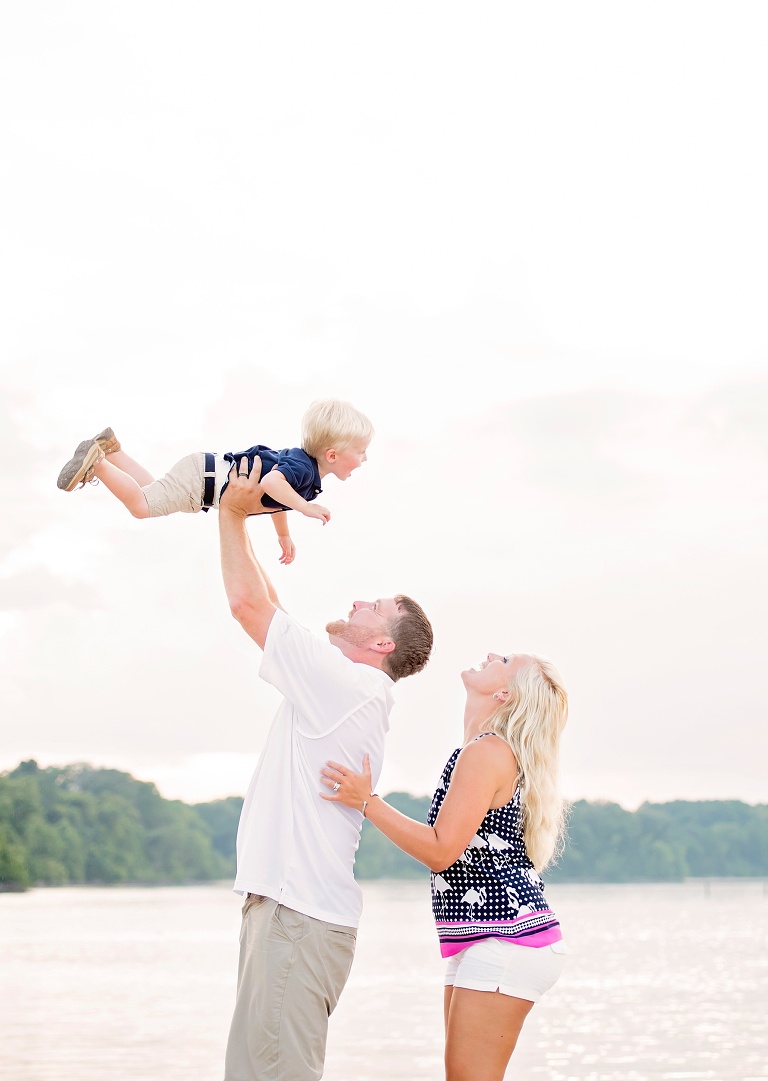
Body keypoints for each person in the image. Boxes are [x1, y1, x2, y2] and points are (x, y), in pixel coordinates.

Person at [217, 467, 434, 1081]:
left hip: (298, 917)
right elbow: (273, 613)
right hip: (287, 913)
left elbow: (247, 606)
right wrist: (247, 527)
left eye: (377, 607)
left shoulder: (352, 686)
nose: (359, 601)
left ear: (383, 646)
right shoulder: (339, 687)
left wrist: (232, 516)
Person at [320, 650, 569, 1081]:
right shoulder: (485, 751)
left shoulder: (489, 753)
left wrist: (367, 802)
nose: (491, 654)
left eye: (504, 659)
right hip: (488, 939)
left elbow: (440, 850)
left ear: (504, 692)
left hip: (507, 941)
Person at [55, 398, 373, 564]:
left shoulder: (302, 470)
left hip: (203, 474)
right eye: (361, 451)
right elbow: (273, 486)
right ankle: (96, 462)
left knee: (149, 491)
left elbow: (278, 501)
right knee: (141, 506)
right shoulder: (302, 470)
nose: (364, 458)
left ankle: (113, 451)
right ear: (332, 455)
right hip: (203, 482)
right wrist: (305, 507)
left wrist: (284, 537)